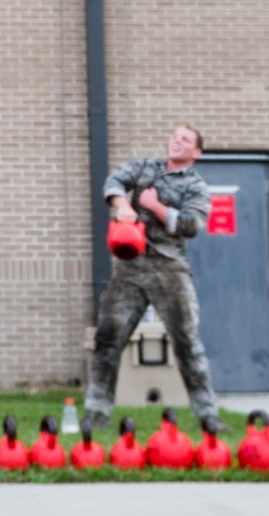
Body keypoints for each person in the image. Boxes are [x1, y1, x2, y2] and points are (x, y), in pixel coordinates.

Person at [85, 125, 222, 434]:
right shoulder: (145, 166)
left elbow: (191, 224)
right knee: (107, 337)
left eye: (185, 139)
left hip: (169, 269)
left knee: (187, 342)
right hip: (130, 267)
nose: (177, 140)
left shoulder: (197, 187)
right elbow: (115, 180)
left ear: (196, 153)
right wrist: (122, 205)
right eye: (175, 135)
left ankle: (208, 414)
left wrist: (154, 207)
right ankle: (96, 411)